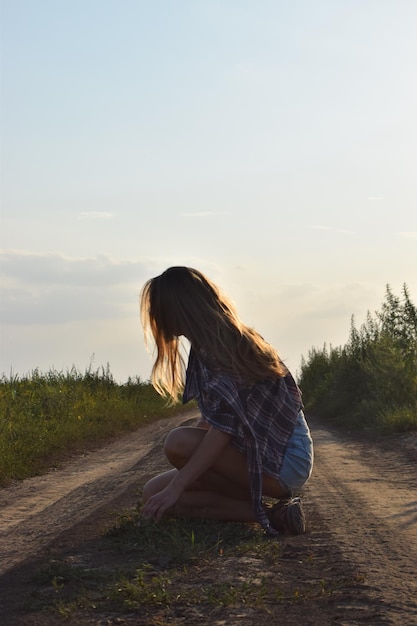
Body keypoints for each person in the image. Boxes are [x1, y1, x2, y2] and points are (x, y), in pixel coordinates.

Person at [140, 266, 313, 536]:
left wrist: (179, 485)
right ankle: (275, 516)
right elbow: (214, 422)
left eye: (157, 308)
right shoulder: (206, 346)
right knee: (153, 491)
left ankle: (265, 508)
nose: (154, 316)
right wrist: (178, 484)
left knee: (178, 443)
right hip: (259, 454)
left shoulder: (227, 345)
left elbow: (224, 429)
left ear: (178, 308)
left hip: (285, 459)